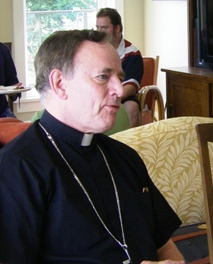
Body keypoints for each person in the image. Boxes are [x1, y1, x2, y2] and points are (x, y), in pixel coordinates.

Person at [0, 29, 184, 263]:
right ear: (60, 84)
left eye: (119, 76)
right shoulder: (15, 169)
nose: (119, 90)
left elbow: (165, 247)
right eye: (103, 77)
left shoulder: (125, 157)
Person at [96, 7, 143, 127]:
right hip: (97, 92)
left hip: (122, 95)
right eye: (97, 27)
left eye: (104, 28)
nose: (99, 32)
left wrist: (108, 99)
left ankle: (128, 144)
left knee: (132, 107)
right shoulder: (94, 51)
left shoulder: (132, 53)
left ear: (117, 28)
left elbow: (130, 87)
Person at [0, 42, 22, 118]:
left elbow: (12, 81)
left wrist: (13, 90)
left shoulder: (3, 49)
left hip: (2, 111)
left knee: (22, 129)